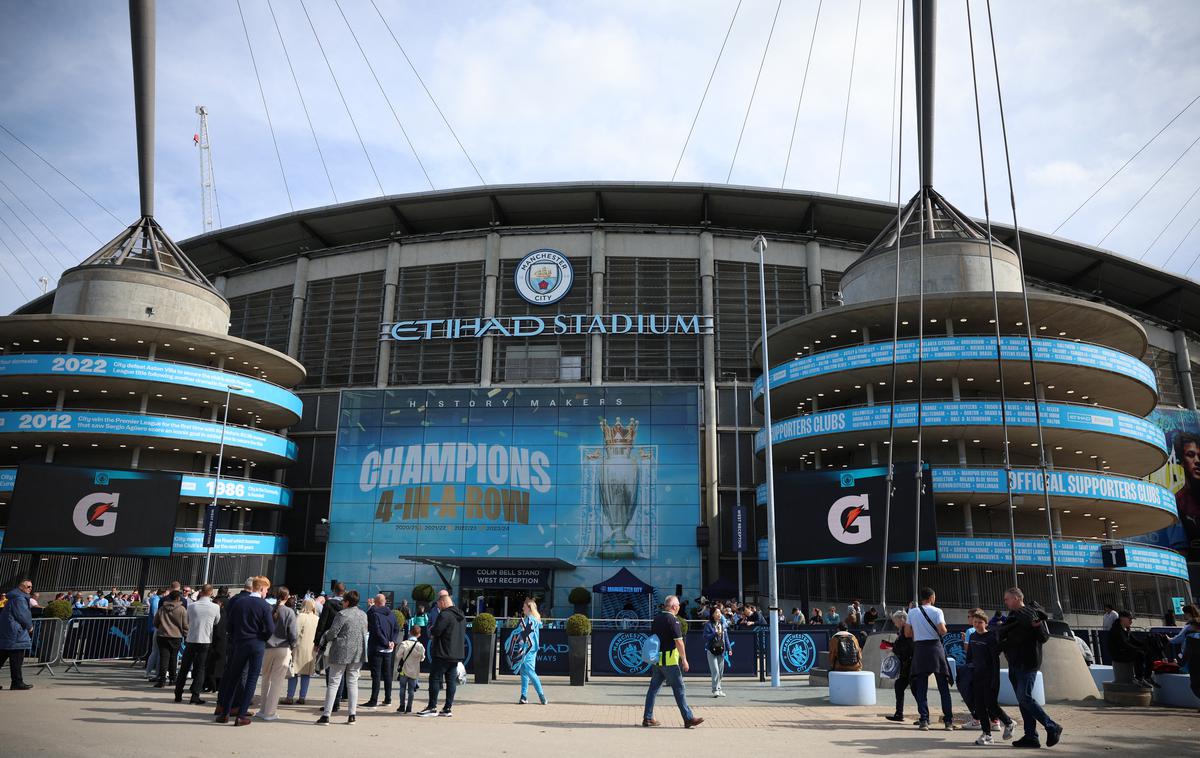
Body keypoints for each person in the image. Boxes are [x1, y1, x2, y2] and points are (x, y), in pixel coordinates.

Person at [997, 587, 1062, 748]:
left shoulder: (1032, 614)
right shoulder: (1012, 616)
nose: (1005, 602)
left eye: (1007, 599)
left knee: (1024, 697)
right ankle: (1031, 736)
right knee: (1022, 700)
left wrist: (1037, 626)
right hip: (1015, 663)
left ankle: (1052, 726)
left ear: (1017, 598)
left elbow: (1044, 637)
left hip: (1028, 663)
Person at [215, 576, 275, 726]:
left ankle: (225, 712)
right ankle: (241, 714)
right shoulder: (264, 605)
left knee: (233, 677)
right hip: (256, 644)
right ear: (261, 588)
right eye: (266, 589)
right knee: (251, 679)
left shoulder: (239, 602)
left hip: (239, 643)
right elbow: (270, 629)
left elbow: (230, 625)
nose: (266, 592)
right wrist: (262, 637)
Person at [642, 595, 703, 728]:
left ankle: (647, 718)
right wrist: (684, 660)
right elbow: (679, 642)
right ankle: (688, 718)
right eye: (679, 606)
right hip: (670, 662)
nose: (679, 608)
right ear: (674, 607)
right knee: (679, 689)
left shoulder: (657, 619)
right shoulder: (673, 620)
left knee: (653, 689)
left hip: (657, 661)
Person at [905, 587, 956, 731]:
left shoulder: (912, 612)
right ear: (932, 597)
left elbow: (907, 633)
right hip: (935, 649)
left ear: (922, 598)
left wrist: (919, 631)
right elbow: (942, 630)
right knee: (943, 687)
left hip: (920, 650)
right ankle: (948, 721)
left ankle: (924, 720)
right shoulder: (937, 611)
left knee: (921, 687)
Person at [317, 590, 368, 725]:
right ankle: (352, 714)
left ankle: (326, 715)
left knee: (334, 682)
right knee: (353, 682)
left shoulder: (342, 614)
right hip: (358, 652)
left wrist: (325, 637)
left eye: (343, 601)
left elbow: (333, 633)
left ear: (347, 602)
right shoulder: (363, 615)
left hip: (341, 651)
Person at [965, 608, 1014, 745]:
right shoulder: (973, 636)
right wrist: (968, 670)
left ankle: (1009, 723)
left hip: (990, 677)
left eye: (980, 622)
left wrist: (994, 679)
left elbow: (995, 661)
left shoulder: (991, 638)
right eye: (975, 622)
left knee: (991, 704)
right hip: (977, 677)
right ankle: (987, 734)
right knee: (980, 706)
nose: (977, 625)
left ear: (986, 623)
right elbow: (970, 657)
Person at [417, 590, 465, 717]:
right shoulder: (461, 615)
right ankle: (447, 708)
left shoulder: (445, 615)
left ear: (443, 602)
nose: (437, 606)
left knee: (435, 679)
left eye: (438, 603)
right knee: (451, 681)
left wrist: (432, 629)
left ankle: (432, 707)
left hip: (442, 652)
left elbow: (436, 631)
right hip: (455, 654)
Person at [175, 584, 220, 704]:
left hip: (191, 638)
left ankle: (178, 693)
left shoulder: (192, 606)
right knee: (200, 668)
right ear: (211, 593)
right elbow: (217, 621)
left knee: (184, 667)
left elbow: (187, 620)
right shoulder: (215, 607)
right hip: (205, 639)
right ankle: (195, 695)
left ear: (201, 592)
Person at [258, 587, 298, 721]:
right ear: (287, 597)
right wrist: (293, 646)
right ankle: (270, 712)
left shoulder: (269, 609)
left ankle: (262, 709)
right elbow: (293, 633)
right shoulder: (289, 612)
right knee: (277, 681)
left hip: (267, 646)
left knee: (265, 678)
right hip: (283, 647)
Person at [314, 581, 346, 713]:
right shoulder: (347, 605)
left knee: (329, 671)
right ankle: (338, 701)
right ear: (344, 591)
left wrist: (317, 642)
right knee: (341, 672)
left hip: (329, 640)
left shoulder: (328, 604)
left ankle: (331, 702)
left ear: (333, 590)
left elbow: (322, 623)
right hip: (343, 642)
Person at [363, 593, 399, 708]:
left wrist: (386, 642)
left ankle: (373, 700)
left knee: (376, 675)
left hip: (378, 648)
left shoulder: (374, 613)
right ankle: (388, 699)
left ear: (377, 602)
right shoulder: (392, 614)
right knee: (387, 675)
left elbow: (377, 630)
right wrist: (392, 641)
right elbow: (396, 629)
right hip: (388, 649)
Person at [0, 578, 34, 690]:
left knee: (4, 656)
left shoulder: (15, 597)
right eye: (28, 586)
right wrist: (29, 626)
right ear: (21, 587)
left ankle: (17, 682)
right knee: (16, 659)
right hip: (16, 632)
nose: (30, 589)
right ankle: (17, 682)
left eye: (31, 587)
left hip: (9, 632)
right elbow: (22, 614)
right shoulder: (19, 598)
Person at [285, 598, 320, 705]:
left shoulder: (300, 616)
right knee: (306, 674)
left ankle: (290, 697)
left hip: (299, 648)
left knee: (293, 673)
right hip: (311, 649)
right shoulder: (317, 618)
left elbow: (295, 633)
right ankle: (302, 697)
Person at [1108, 609, 1154, 687]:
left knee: (1148, 651)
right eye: (1130, 619)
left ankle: (1147, 677)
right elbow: (1124, 644)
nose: (1131, 621)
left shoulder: (1126, 629)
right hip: (1118, 655)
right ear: (1122, 618)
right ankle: (1139, 678)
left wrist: (1145, 646)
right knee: (1139, 654)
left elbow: (1134, 641)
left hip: (1125, 651)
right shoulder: (1116, 630)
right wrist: (1138, 649)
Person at [515, 598, 547, 705]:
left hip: (529, 649)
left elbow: (527, 636)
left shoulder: (530, 620)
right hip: (527, 649)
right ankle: (523, 696)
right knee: (524, 671)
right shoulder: (531, 619)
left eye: (524, 606)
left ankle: (542, 696)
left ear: (529, 608)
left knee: (530, 672)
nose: (523, 608)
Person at [153, 590, 188, 688]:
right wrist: (185, 634)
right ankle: (173, 678)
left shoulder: (162, 608)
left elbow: (155, 621)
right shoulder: (182, 609)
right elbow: (185, 625)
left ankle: (162, 679)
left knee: (163, 658)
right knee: (173, 658)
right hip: (176, 636)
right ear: (178, 598)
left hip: (162, 635)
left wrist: (161, 627)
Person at [884, 610, 913, 723]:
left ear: (902, 619)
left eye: (896, 622)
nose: (895, 624)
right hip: (906, 665)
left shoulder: (906, 631)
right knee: (900, 686)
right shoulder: (903, 630)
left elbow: (906, 647)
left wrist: (893, 648)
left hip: (909, 665)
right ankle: (899, 713)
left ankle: (924, 716)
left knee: (914, 689)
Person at [1167, 604, 1200, 705]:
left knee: (1195, 684)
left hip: (1194, 662)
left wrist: (1169, 639)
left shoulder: (1189, 634)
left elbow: (1181, 642)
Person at [395, 624, 426, 714]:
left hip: (404, 670)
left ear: (409, 633)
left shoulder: (404, 644)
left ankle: (401, 706)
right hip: (414, 671)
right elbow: (422, 658)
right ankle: (409, 707)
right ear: (419, 634)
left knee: (402, 688)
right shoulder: (420, 646)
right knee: (411, 690)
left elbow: (398, 656)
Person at [702, 606, 729, 697]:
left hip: (721, 650)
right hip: (711, 650)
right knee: (715, 671)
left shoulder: (722, 624)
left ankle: (719, 688)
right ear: (712, 615)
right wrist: (715, 633)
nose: (719, 614)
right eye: (717, 613)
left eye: (720, 612)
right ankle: (715, 690)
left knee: (721, 671)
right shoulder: (708, 625)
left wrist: (729, 648)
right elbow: (705, 637)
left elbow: (726, 637)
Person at [205, 596, 229, 694]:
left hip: (212, 641)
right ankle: (216, 685)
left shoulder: (214, 613)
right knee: (219, 665)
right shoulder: (225, 614)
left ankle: (211, 685)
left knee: (211, 664)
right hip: (222, 642)